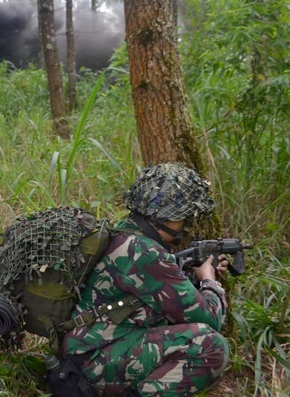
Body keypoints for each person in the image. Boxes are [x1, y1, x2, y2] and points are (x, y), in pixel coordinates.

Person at [62, 163, 230, 396]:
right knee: (211, 346)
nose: (188, 224)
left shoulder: (125, 234)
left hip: (86, 349)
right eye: (184, 216)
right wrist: (210, 281)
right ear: (167, 216)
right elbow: (210, 317)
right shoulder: (146, 253)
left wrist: (191, 273)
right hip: (94, 361)